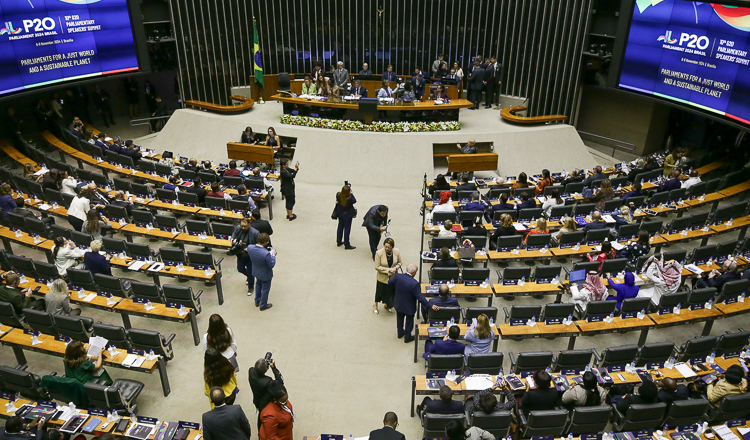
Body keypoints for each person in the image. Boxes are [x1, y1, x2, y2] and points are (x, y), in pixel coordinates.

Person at [391, 264, 436, 342]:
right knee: (409, 322)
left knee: (399, 319)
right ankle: (407, 337)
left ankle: (400, 332)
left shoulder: (398, 276)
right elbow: (420, 298)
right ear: (412, 272)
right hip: (409, 306)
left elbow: (390, 282)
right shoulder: (414, 283)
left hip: (399, 303)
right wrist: (429, 305)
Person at [249, 357, 284, 428]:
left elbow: (255, 368)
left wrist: (262, 364)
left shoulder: (250, 372)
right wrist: (274, 367)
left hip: (257, 400)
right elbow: (280, 383)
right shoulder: (268, 382)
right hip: (265, 402)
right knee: (264, 416)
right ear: (267, 369)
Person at [247, 233, 276, 311]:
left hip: (256, 271)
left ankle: (257, 300)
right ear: (265, 242)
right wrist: (273, 256)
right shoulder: (266, 253)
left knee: (258, 285)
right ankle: (263, 305)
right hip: (265, 274)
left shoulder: (250, 247)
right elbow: (271, 265)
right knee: (265, 289)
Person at [374, 237, 401, 314]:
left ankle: (388, 305)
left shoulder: (396, 252)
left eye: (388, 247)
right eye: (385, 246)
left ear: (392, 247)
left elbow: (400, 263)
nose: (386, 248)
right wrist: (388, 270)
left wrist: (395, 268)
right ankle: (375, 305)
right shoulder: (379, 253)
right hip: (382, 278)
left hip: (392, 277)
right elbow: (377, 266)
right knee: (379, 293)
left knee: (390, 292)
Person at [232, 218, 259, 295]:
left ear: (249, 225)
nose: (243, 228)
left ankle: (251, 287)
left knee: (250, 272)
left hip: (250, 255)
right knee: (240, 268)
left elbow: (258, 244)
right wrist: (232, 239)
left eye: (245, 226)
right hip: (240, 253)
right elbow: (234, 234)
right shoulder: (238, 228)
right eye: (242, 226)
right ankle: (250, 277)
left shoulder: (255, 233)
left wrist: (250, 248)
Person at [334, 185, 357, 249]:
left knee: (340, 228)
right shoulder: (350, 199)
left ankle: (339, 241)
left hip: (340, 214)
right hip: (348, 215)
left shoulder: (338, 195)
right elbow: (355, 201)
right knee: (347, 230)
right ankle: (347, 244)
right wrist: (351, 194)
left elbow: (339, 193)